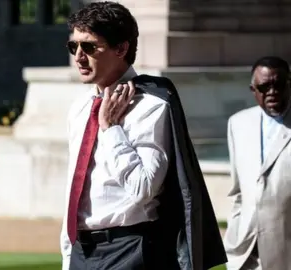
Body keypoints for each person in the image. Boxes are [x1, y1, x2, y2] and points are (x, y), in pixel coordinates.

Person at [60, 2, 227, 270]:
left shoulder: (152, 106)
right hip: (82, 251)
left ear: (121, 48)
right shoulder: (79, 108)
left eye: (89, 47)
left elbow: (143, 189)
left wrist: (111, 128)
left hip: (132, 250)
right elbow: (75, 187)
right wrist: (68, 255)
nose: (78, 57)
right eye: (73, 47)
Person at [224, 56, 291, 270]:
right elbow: (238, 192)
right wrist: (233, 235)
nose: (272, 91)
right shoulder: (238, 123)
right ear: (253, 89)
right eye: (264, 86)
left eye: (278, 84)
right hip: (245, 252)